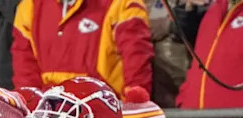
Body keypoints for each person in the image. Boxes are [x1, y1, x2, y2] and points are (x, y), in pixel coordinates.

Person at [12, 0, 153, 97]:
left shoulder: (122, 3)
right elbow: (25, 69)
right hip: (50, 116)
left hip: (104, 116)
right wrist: (30, 108)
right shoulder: (29, 6)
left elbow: (136, 62)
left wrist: (134, 107)